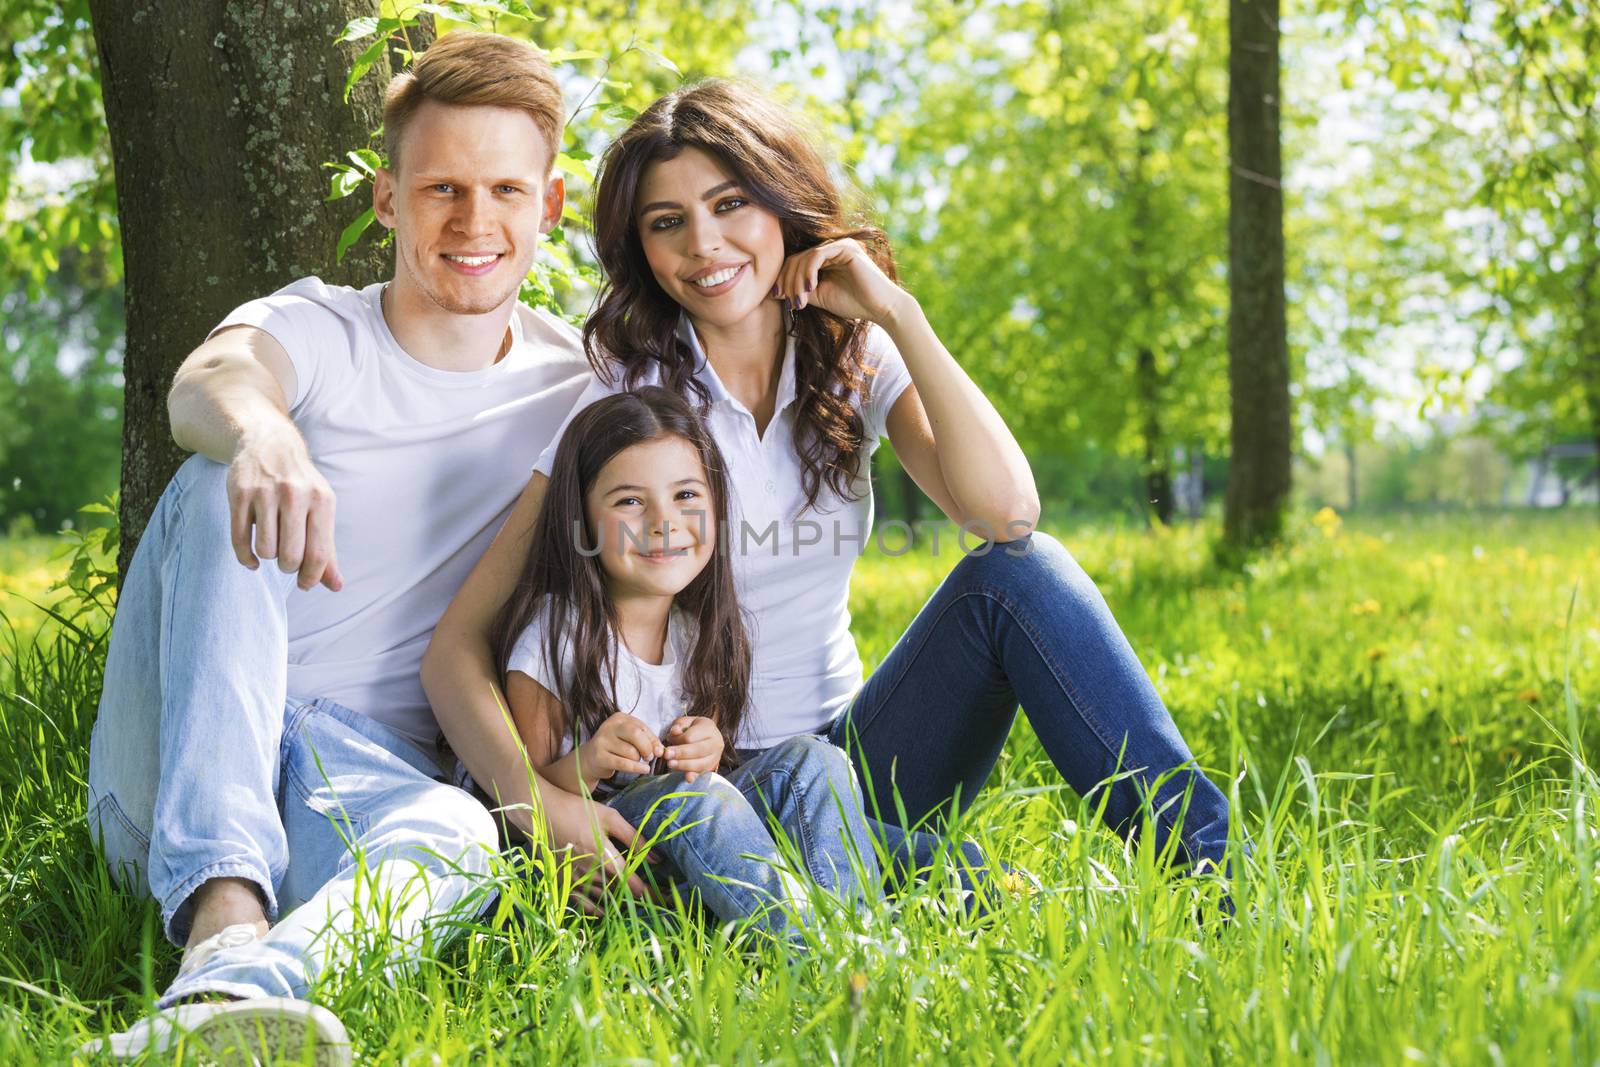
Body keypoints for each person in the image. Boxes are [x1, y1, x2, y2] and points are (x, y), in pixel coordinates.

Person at [424, 79, 1235, 897]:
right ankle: (893, 881)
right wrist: (539, 808)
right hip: (703, 786)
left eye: (731, 203)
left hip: (853, 759)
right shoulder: (626, 403)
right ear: (643, 248)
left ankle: (1207, 873)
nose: (705, 244)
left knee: (1022, 575)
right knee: (949, 882)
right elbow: (457, 651)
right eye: (667, 222)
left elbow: (1006, 512)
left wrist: (897, 314)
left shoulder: (853, 359)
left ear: (781, 204)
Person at [82, 32, 652, 1063]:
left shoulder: (579, 394)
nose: (474, 222)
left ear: (551, 206)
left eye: (505, 191)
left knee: (467, 838)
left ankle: (215, 1012)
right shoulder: (319, 329)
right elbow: (209, 382)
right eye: (440, 188)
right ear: (388, 201)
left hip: (359, 783)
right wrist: (265, 431)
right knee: (223, 478)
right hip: (176, 765)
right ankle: (219, 914)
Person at [489, 386, 880, 939]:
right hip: (618, 871)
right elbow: (519, 803)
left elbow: (711, 783)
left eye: (686, 496)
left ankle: (857, 935)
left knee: (816, 763)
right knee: (699, 799)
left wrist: (708, 748)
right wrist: (589, 762)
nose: (663, 522)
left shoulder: (696, 632)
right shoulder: (557, 634)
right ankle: (812, 953)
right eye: (629, 501)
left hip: (707, 851)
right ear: (581, 519)